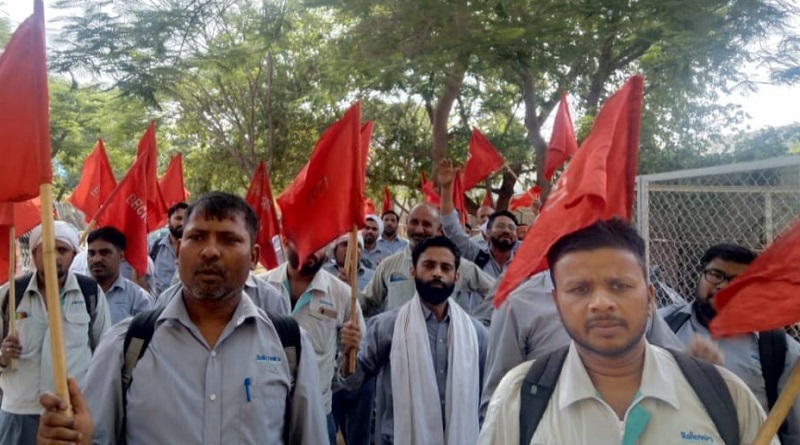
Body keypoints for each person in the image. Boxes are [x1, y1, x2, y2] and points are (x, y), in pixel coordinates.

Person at [478, 219, 776, 445]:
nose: (602, 303)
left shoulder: (724, 394)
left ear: (649, 297)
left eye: (620, 286)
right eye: (580, 289)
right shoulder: (519, 398)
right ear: (557, 303)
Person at [76, 192, 328, 444]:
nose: (210, 252)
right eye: (196, 237)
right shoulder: (126, 345)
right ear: (177, 249)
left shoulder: (290, 346)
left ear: (253, 257)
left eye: (229, 240)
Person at [340, 236, 488, 445]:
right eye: (429, 265)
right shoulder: (387, 326)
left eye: (446, 268)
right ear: (413, 271)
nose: (437, 272)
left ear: (456, 277)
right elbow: (352, 381)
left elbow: (486, 394)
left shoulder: (476, 333)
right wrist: (348, 354)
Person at [659, 244, 800, 444]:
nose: (723, 286)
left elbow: (795, 429)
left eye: (738, 281)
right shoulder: (663, 324)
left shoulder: (776, 346)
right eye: (716, 274)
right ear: (700, 275)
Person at [0, 221, 111, 444]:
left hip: (69, 414)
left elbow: (105, 354)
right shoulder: (10, 294)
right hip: (18, 413)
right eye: (47, 250)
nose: (55, 257)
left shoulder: (89, 293)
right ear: (34, 253)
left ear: (73, 254)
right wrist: (3, 357)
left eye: (62, 250)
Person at [262, 239, 365, 445]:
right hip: (265, 414)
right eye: (303, 239)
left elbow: (353, 377)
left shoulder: (343, 295)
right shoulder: (261, 288)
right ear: (285, 241)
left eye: (319, 241)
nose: (311, 250)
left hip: (318, 414)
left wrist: (348, 353)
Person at [362, 203, 494, 321]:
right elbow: (368, 304)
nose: (419, 230)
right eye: (414, 222)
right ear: (406, 223)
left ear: (438, 228)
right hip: (397, 344)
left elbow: (496, 291)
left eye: (426, 224)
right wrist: (346, 289)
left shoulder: (458, 265)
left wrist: (476, 323)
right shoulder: (389, 265)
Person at [86, 227, 153, 325]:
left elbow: (144, 337)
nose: (96, 259)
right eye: (92, 253)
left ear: (121, 256)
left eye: (105, 253)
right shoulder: (77, 293)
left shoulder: (138, 298)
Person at [150, 202, 187, 296]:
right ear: (168, 220)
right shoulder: (155, 247)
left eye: (186, 219)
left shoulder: (197, 250)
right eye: (178, 218)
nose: (182, 223)